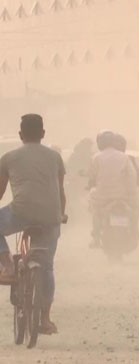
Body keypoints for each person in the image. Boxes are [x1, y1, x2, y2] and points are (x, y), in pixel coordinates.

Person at [0, 114, 67, 334]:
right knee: (47, 266)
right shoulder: (55, 157)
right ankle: (45, 319)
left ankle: (7, 266)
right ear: (43, 134)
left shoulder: (8, 157)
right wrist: (61, 214)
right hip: (51, 217)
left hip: (21, 213)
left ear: (20, 135)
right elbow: (60, 192)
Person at [88, 130, 138, 247]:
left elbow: (92, 176)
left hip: (102, 196)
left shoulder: (96, 157)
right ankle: (134, 232)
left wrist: (92, 184)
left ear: (100, 143)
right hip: (122, 196)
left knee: (95, 210)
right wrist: (131, 192)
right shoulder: (124, 157)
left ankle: (96, 238)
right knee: (134, 210)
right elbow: (132, 176)